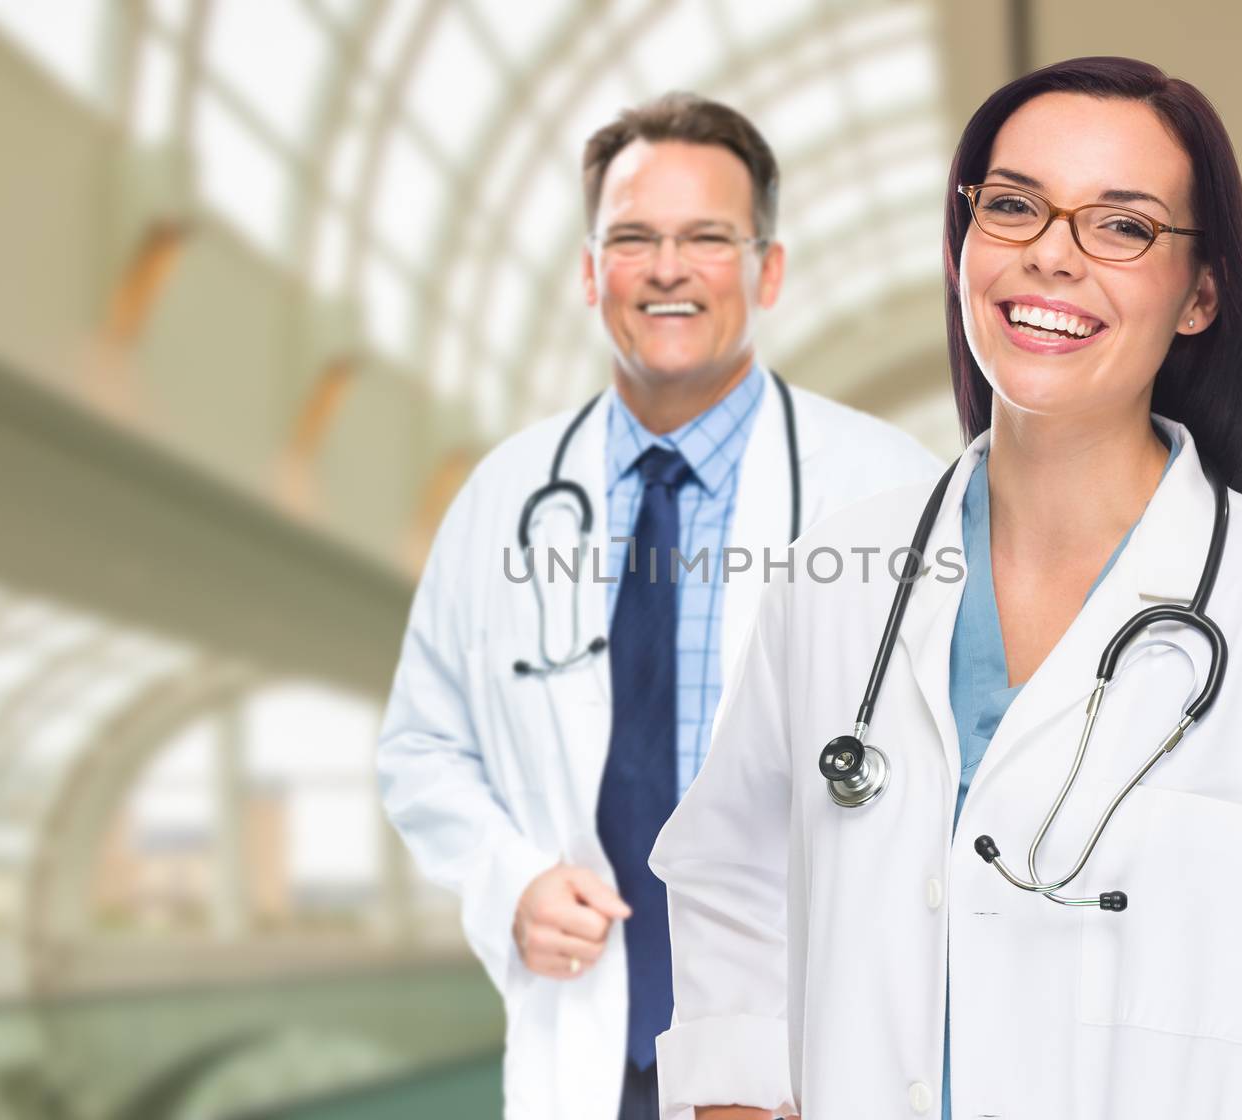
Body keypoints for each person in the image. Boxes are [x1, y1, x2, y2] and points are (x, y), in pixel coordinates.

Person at [650, 57, 1242, 1120]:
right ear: (962, 244)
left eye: (1121, 225)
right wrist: (737, 1101)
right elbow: (729, 874)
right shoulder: (832, 584)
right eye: (1013, 205)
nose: (1050, 253)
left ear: (1199, 294)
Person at [376, 92, 940, 1120]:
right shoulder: (503, 498)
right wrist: (508, 881)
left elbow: (965, 763)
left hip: (815, 1051)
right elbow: (421, 745)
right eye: (633, 237)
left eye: (707, 238)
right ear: (591, 272)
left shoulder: (892, 486)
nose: (668, 268)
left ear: (767, 269)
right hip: (591, 1046)